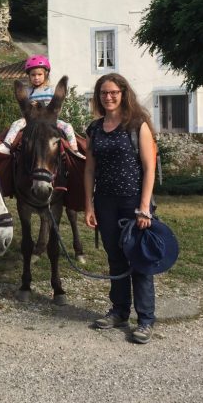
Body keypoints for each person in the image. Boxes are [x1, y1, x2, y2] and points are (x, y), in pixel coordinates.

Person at [83, 72, 157, 344]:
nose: (109, 97)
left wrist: (144, 207)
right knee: (114, 257)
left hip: (132, 201)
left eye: (113, 92)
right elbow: (90, 169)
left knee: (139, 259)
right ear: (99, 97)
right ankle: (120, 311)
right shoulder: (95, 129)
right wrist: (88, 204)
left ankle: (146, 319)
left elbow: (149, 168)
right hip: (105, 202)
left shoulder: (137, 125)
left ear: (124, 94)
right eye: (104, 93)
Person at [0, 55, 84, 158]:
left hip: (49, 120)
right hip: (31, 120)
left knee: (68, 126)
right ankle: (6, 146)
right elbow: (24, 109)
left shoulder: (51, 91)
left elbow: (56, 108)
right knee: (16, 123)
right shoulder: (28, 92)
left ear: (46, 74)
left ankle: (74, 150)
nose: (36, 78)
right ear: (29, 76)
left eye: (39, 74)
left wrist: (41, 105)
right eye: (33, 75)